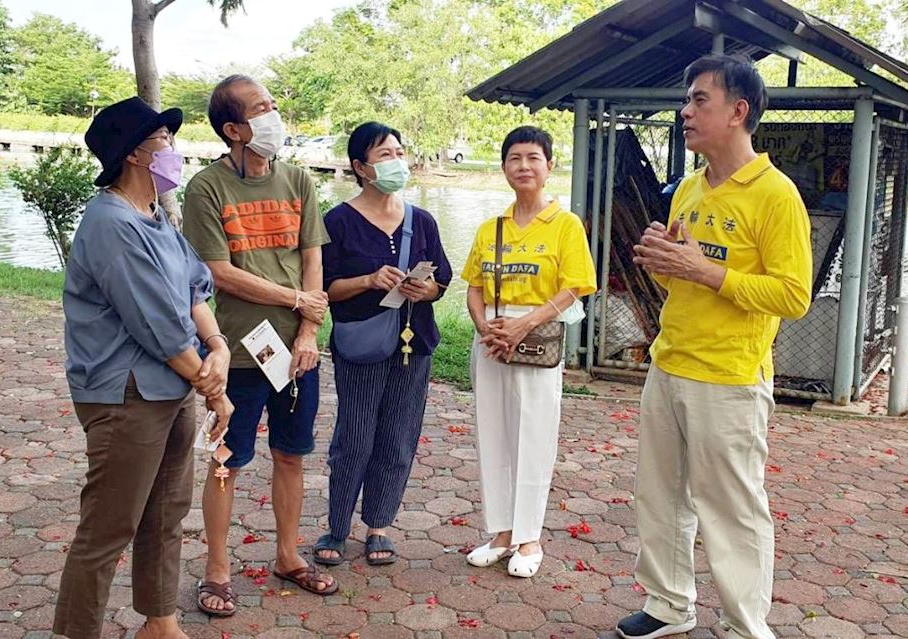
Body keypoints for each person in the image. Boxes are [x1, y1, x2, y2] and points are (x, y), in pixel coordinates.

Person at [617, 55, 813, 639]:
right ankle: (667, 605)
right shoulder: (688, 188)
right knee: (658, 497)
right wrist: (664, 260)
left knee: (731, 509)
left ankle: (745, 626)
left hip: (729, 377)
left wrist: (704, 271)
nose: (686, 111)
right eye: (687, 99)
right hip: (669, 362)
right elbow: (682, 280)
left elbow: (793, 295)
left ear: (738, 111)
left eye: (699, 99)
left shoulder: (776, 195)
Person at [53, 96, 234, 639]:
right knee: (108, 528)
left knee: (166, 515)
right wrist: (212, 384)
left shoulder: (156, 217)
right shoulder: (110, 222)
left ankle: (161, 623)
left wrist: (218, 346)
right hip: (125, 395)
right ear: (134, 153)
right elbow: (156, 323)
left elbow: (195, 287)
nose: (173, 149)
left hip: (172, 388)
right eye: (163, 140)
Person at [181, 75, 335, 614]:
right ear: (233, 129)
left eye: (273, 104)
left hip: (297, 353)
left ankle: (289, 556)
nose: (273, 115)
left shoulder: (298, 181)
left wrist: (309, 330)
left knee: (291, 455)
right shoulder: (207, 188)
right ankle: (217, 570)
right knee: (228, 459)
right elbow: (218, 271)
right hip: (238, 352)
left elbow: (313, 259)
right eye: (260, 109)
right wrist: (295, 299)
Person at [312, 122, 453, 566]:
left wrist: (424, 290)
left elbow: (442, 282)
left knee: (398, 437)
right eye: (384, 155)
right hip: (361, 344)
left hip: (414, 345)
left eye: (399, 153)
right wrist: (369, 280)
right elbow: (324, 288)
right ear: (361, 167)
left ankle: (379, 526)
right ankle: (337, 528)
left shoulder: (422, 221)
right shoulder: (338, 222)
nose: (396, 162)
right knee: (354, 437)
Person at [460, 125, 596, 579]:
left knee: (533, 436)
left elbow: (574, 287)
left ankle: (529, 537)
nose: (524, 166)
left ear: (549, 166)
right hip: (493, 338)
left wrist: (523, 324)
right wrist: (485, 328)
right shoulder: (491, 228)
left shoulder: (565, 225)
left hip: (537, 338)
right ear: (503, 168)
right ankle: (501, 533)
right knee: (492, 433)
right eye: (515, 158)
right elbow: (474, 287)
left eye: (533, 158)